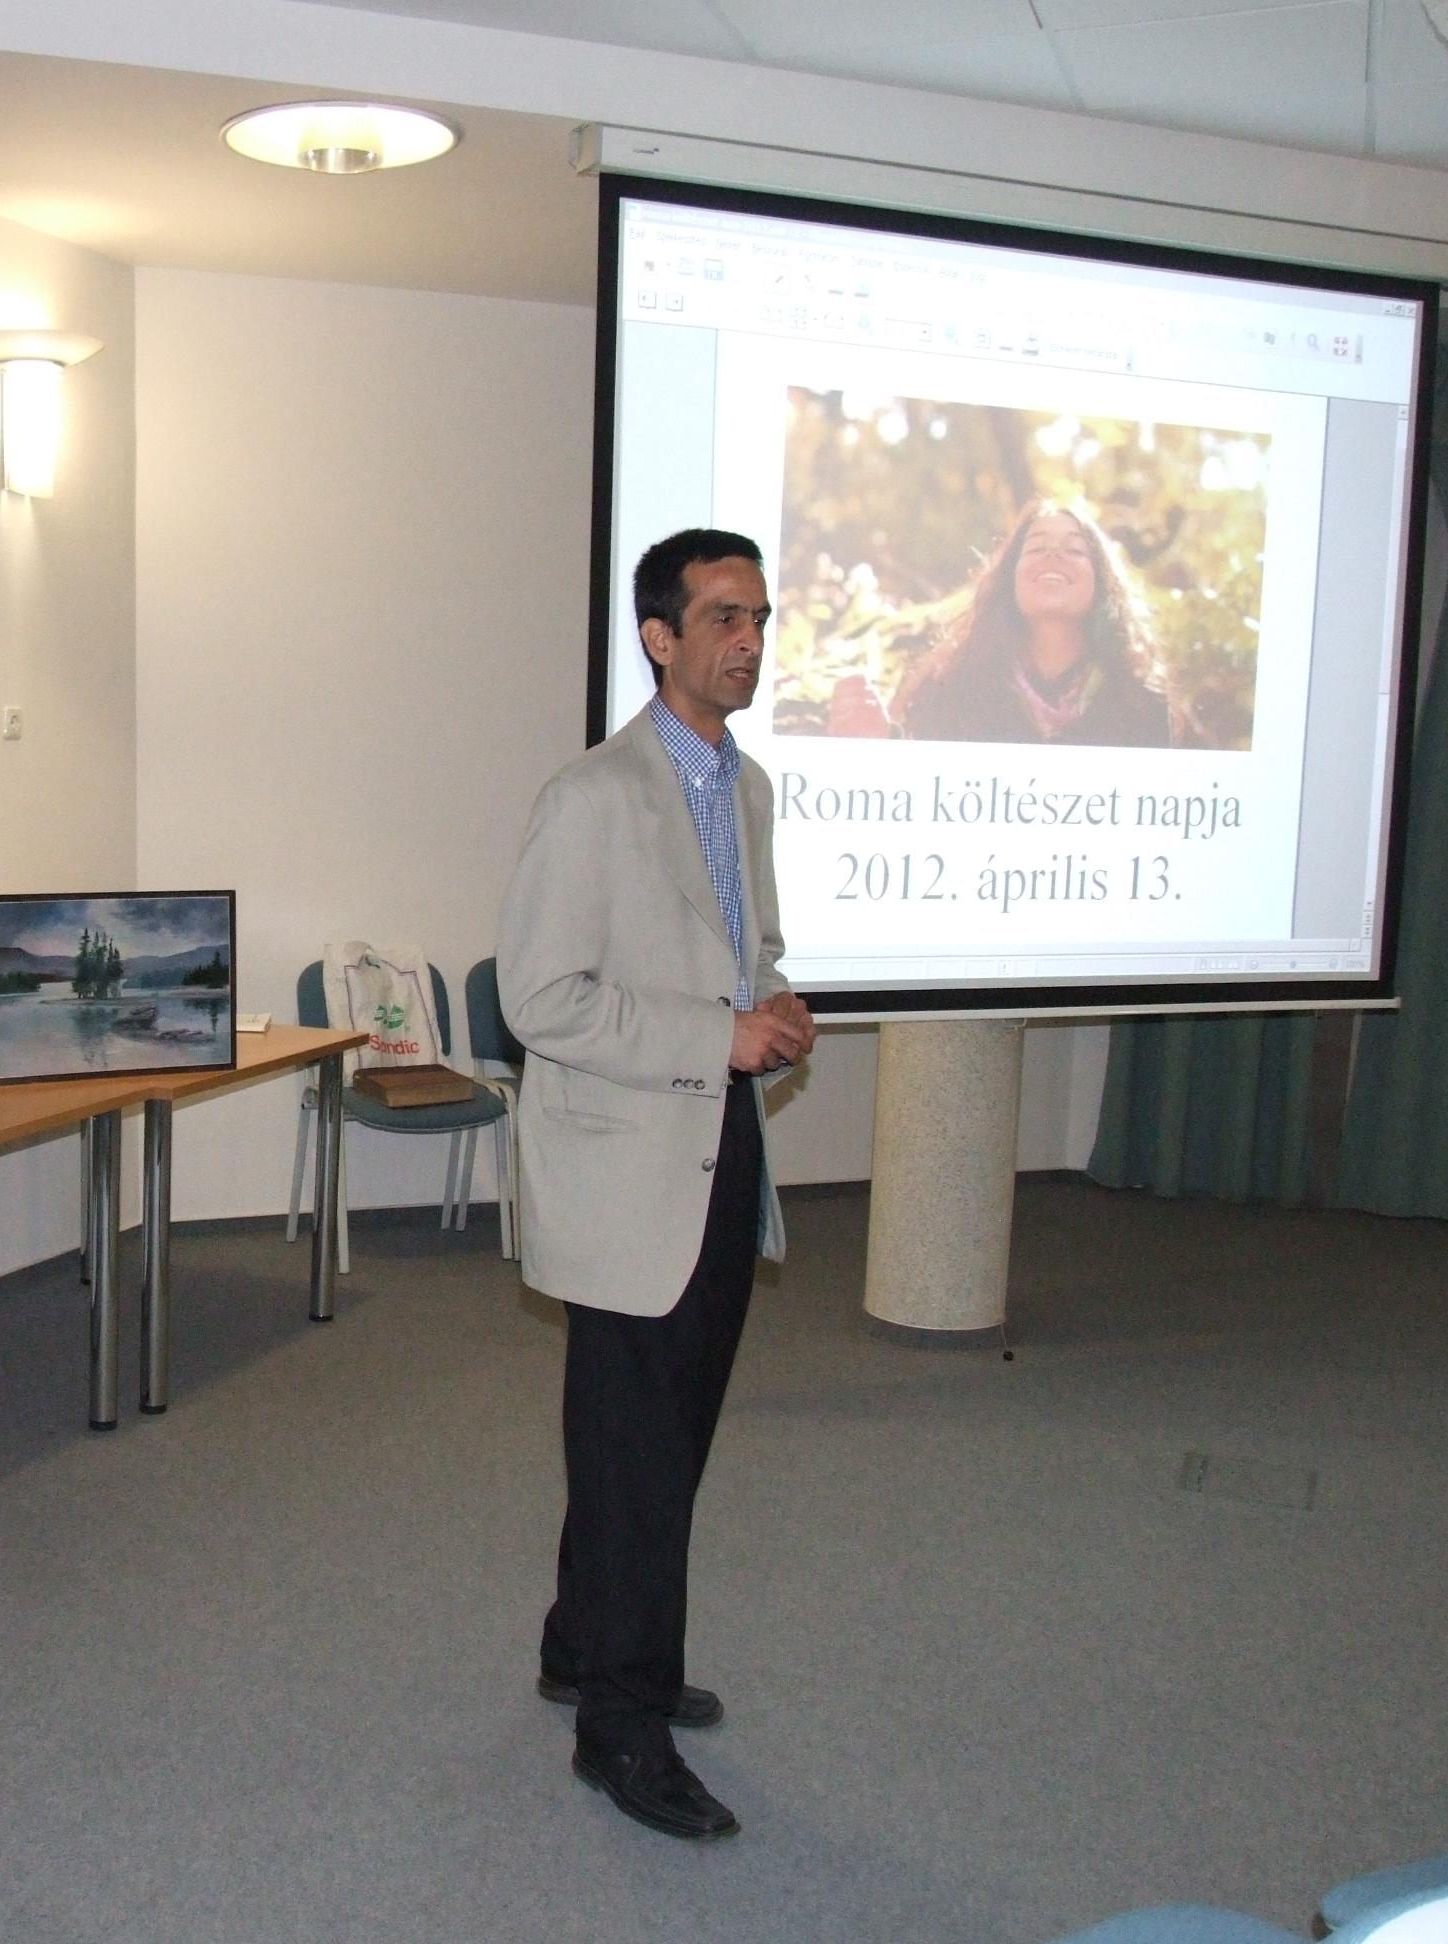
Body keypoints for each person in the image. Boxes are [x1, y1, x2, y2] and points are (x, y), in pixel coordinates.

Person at [496, 528, 817, 1841]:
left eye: (761, 617)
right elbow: (538, 999)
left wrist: (773, 1003)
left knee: (660, 1440)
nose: (748, 640)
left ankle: (583, 1643)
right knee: (634, 1455)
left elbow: (749, 948)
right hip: (625, 1166)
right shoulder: (590, 798)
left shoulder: (748, 789)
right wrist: (714, 1036)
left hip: (724, 1145)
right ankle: (618, 1729)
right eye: (724, 617)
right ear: (659, 637)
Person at [897, 500, 1176, 746]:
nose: (1052, 555)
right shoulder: (951, 691)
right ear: (1010, 578)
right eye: (1037, 547)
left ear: (1102, 583)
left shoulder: (1140, 703)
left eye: (1074, 550)